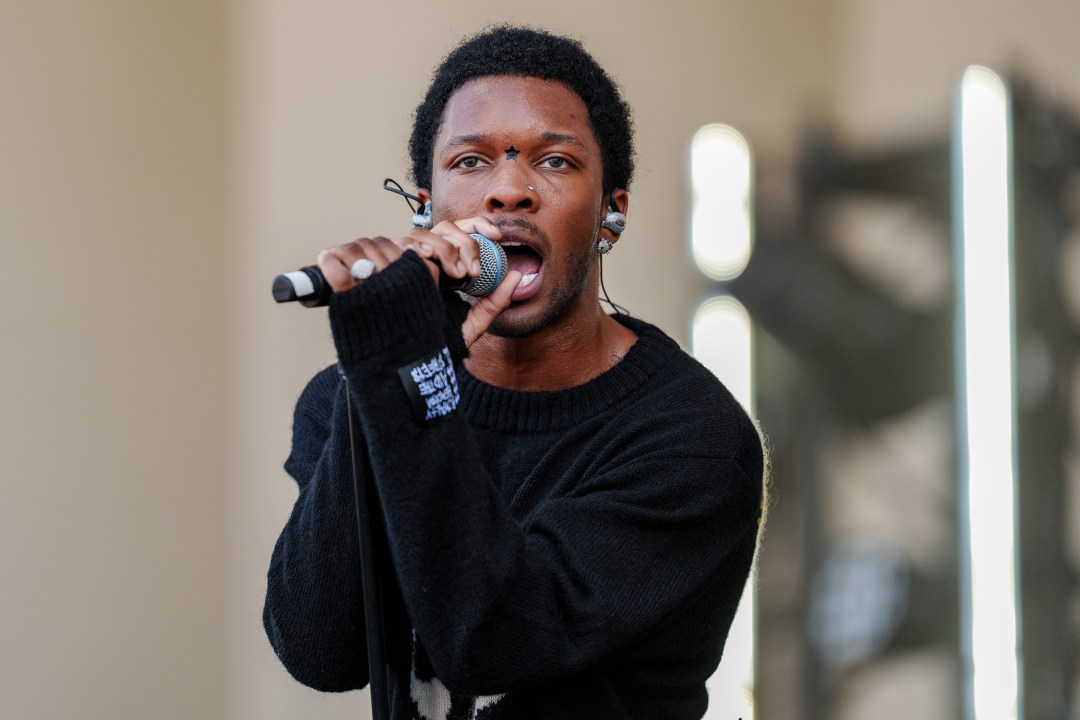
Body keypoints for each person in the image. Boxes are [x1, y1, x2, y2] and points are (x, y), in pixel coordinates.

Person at [264, 25, 766, 720]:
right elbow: (319, 647)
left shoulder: (688, 435)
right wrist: (385, 375)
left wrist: (413, 371)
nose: (508, 191)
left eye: (555, 162)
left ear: (610, 215)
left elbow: (492, 640)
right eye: (470, 162)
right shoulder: (359, 391)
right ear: (424, 206)